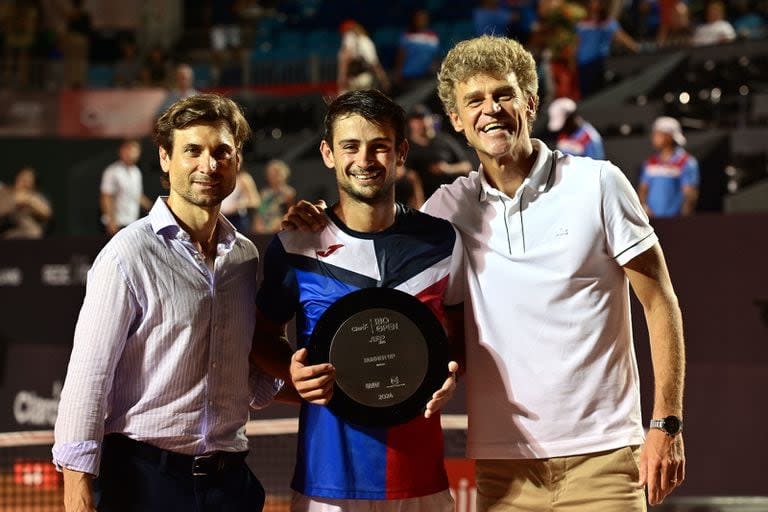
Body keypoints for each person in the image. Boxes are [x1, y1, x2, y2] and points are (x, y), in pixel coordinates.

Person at [284, 35, 687, 510]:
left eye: (503, 95)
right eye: (473, 100)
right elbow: (416, 316)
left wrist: (667, 422)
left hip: (604, 460)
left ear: (531, 103)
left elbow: (659, 301)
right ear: (456, 120)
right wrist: (317, 216)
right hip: (502, 471)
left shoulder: (599, 184)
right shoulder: (444, 213)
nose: (490, 109)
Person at [53, 93, 282, 512]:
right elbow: (88, 380)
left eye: (221, 152)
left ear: (237, 159)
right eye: (192, 150)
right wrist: (76, 489)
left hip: (230, 484)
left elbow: (250, 381)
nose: (208, 166)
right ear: (164, 158)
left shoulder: (245, 257)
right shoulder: (127, 254)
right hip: (142, 484)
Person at [252, 89, 464, 512]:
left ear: (401, 152)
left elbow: (456, 338)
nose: (365, 160)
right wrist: (293, 374)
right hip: (326, 485)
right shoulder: (296, 244)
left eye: (379, 146)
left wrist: (452, 373)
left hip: (421, 481)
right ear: (328, 154)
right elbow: (261, 338)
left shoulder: (443, 241)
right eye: (350, 146)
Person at [405, 103, 473, 198]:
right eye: (417, 120)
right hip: (427, 202)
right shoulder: (406, 148)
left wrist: (448, 168)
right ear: (410, 123)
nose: (422, 123)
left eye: (424, 118)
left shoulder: (444, 140)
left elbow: (467, 166)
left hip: (455, 195)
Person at [638, 116, 700, 218]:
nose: (653, 137)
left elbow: (689, 195)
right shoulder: (650, 163)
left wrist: (683, 221)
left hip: (675, 222)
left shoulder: (686, 162)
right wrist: (645, 211)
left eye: (657, 133)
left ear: (669, 136)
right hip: (651, 222)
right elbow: (643, 190)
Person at [576, 0, 640, 98]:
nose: (593, 4)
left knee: (597, 94)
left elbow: (622, 38)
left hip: (598, 64)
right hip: (582, 65)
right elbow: (577, 42)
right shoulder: (581, 23)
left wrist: (638, 49)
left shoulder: (608, 22)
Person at [99, 138, 152, 236]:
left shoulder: (136, 172)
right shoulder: (112, 171)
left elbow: (137, 195)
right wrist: (111, 221)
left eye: (136, 151)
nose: (133, 154)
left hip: (132, 223)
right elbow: (106, 196)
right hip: (117, 224)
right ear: (122, 151)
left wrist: (153, 209)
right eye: (130, 150)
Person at [393, 9, 441, 95]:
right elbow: (401, 56)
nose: (421, 21)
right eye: (418, 19)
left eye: (423, 19)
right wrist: (398, 73)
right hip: (410, 78)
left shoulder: (433, 36)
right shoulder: (406, 36)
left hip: (427, 77)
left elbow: (436, 56)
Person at [336, 19, 390, 94]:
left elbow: (346, 59)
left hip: (354, 78)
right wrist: (383, 79)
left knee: (352, 103)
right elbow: (374, 63)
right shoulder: (366, 41)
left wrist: (343, 78)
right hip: (366, 78)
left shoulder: (349, 38)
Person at [0, 166, 52, 239]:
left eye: (28, 180)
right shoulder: (4, 190)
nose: (24, 181)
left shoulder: (33, 197)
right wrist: (14, 200)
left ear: (33, 185)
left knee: (34, 231)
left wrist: (28, 200)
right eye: (22, 177)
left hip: (15, 236)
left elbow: (47, 212)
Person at [252, 158, 296, 234]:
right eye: (270, 173)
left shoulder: (289, 192)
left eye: (275, 173)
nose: (272, 176)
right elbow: (259, 212)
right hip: (263, 229)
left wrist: (280, 224)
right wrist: (257, 226)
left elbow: (291, 214)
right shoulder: (264, 193)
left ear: (283, 174)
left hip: (280, 229)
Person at [221, 168, 261, 233]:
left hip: (236, 219)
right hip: (220, 219)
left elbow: (255, 201)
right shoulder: (220, 177)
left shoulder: (244, 178)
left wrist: (237, 206)